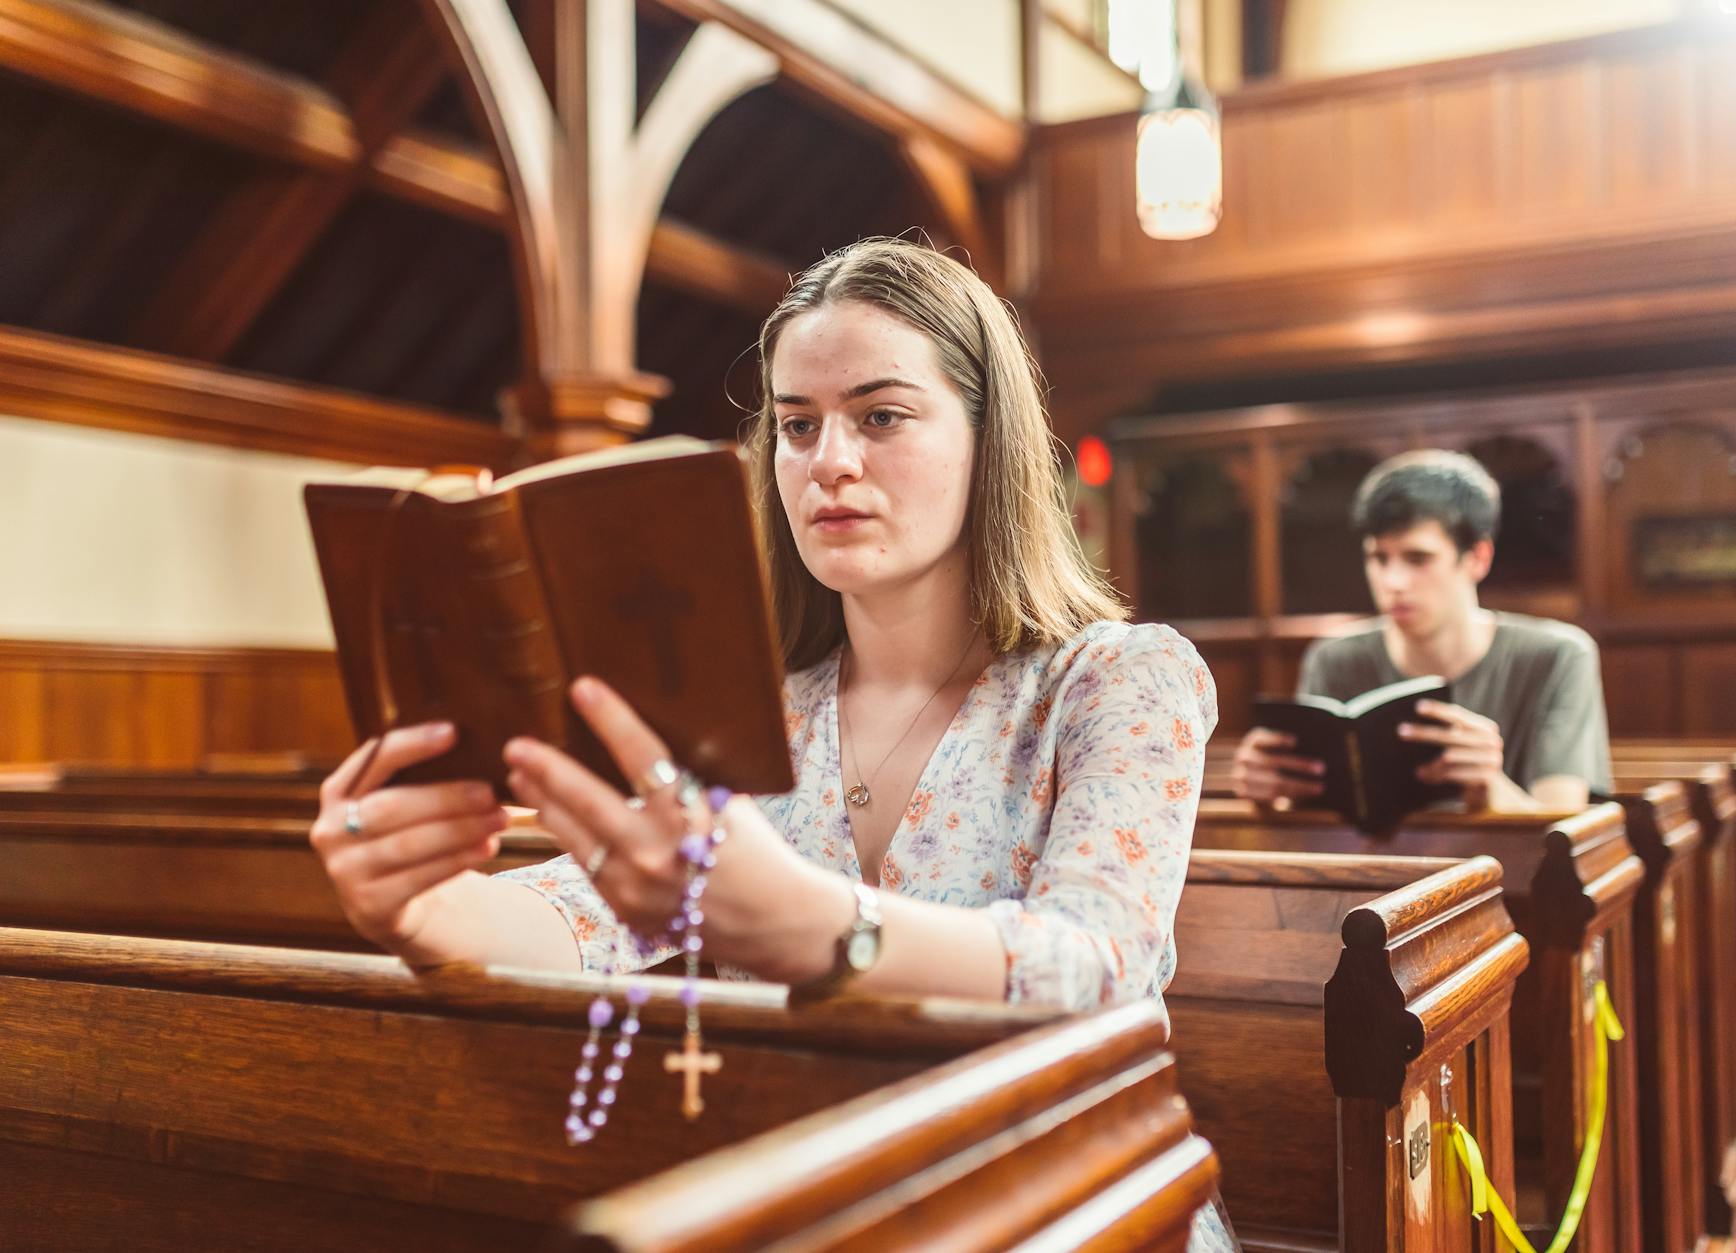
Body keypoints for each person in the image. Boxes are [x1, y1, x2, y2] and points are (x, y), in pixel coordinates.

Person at [308, 237, 1217, 1020]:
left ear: (990, 440)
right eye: (796, 425)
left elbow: (1098, 967)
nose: (829, 462)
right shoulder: (754, 712)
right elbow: (580, 917)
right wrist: (417, 908)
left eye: (881, 416)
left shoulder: (1118, 681)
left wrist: (815, 925)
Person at [1233, 449, 1610, 813]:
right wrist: (1270, 796)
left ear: (1478, 558)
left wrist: (1490, 786)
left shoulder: (1560, 655)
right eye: (1378, 558)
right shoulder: (1333, 658)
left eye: (1418, 559)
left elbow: (1564, 832)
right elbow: (1315, 821)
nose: (1393, 581)